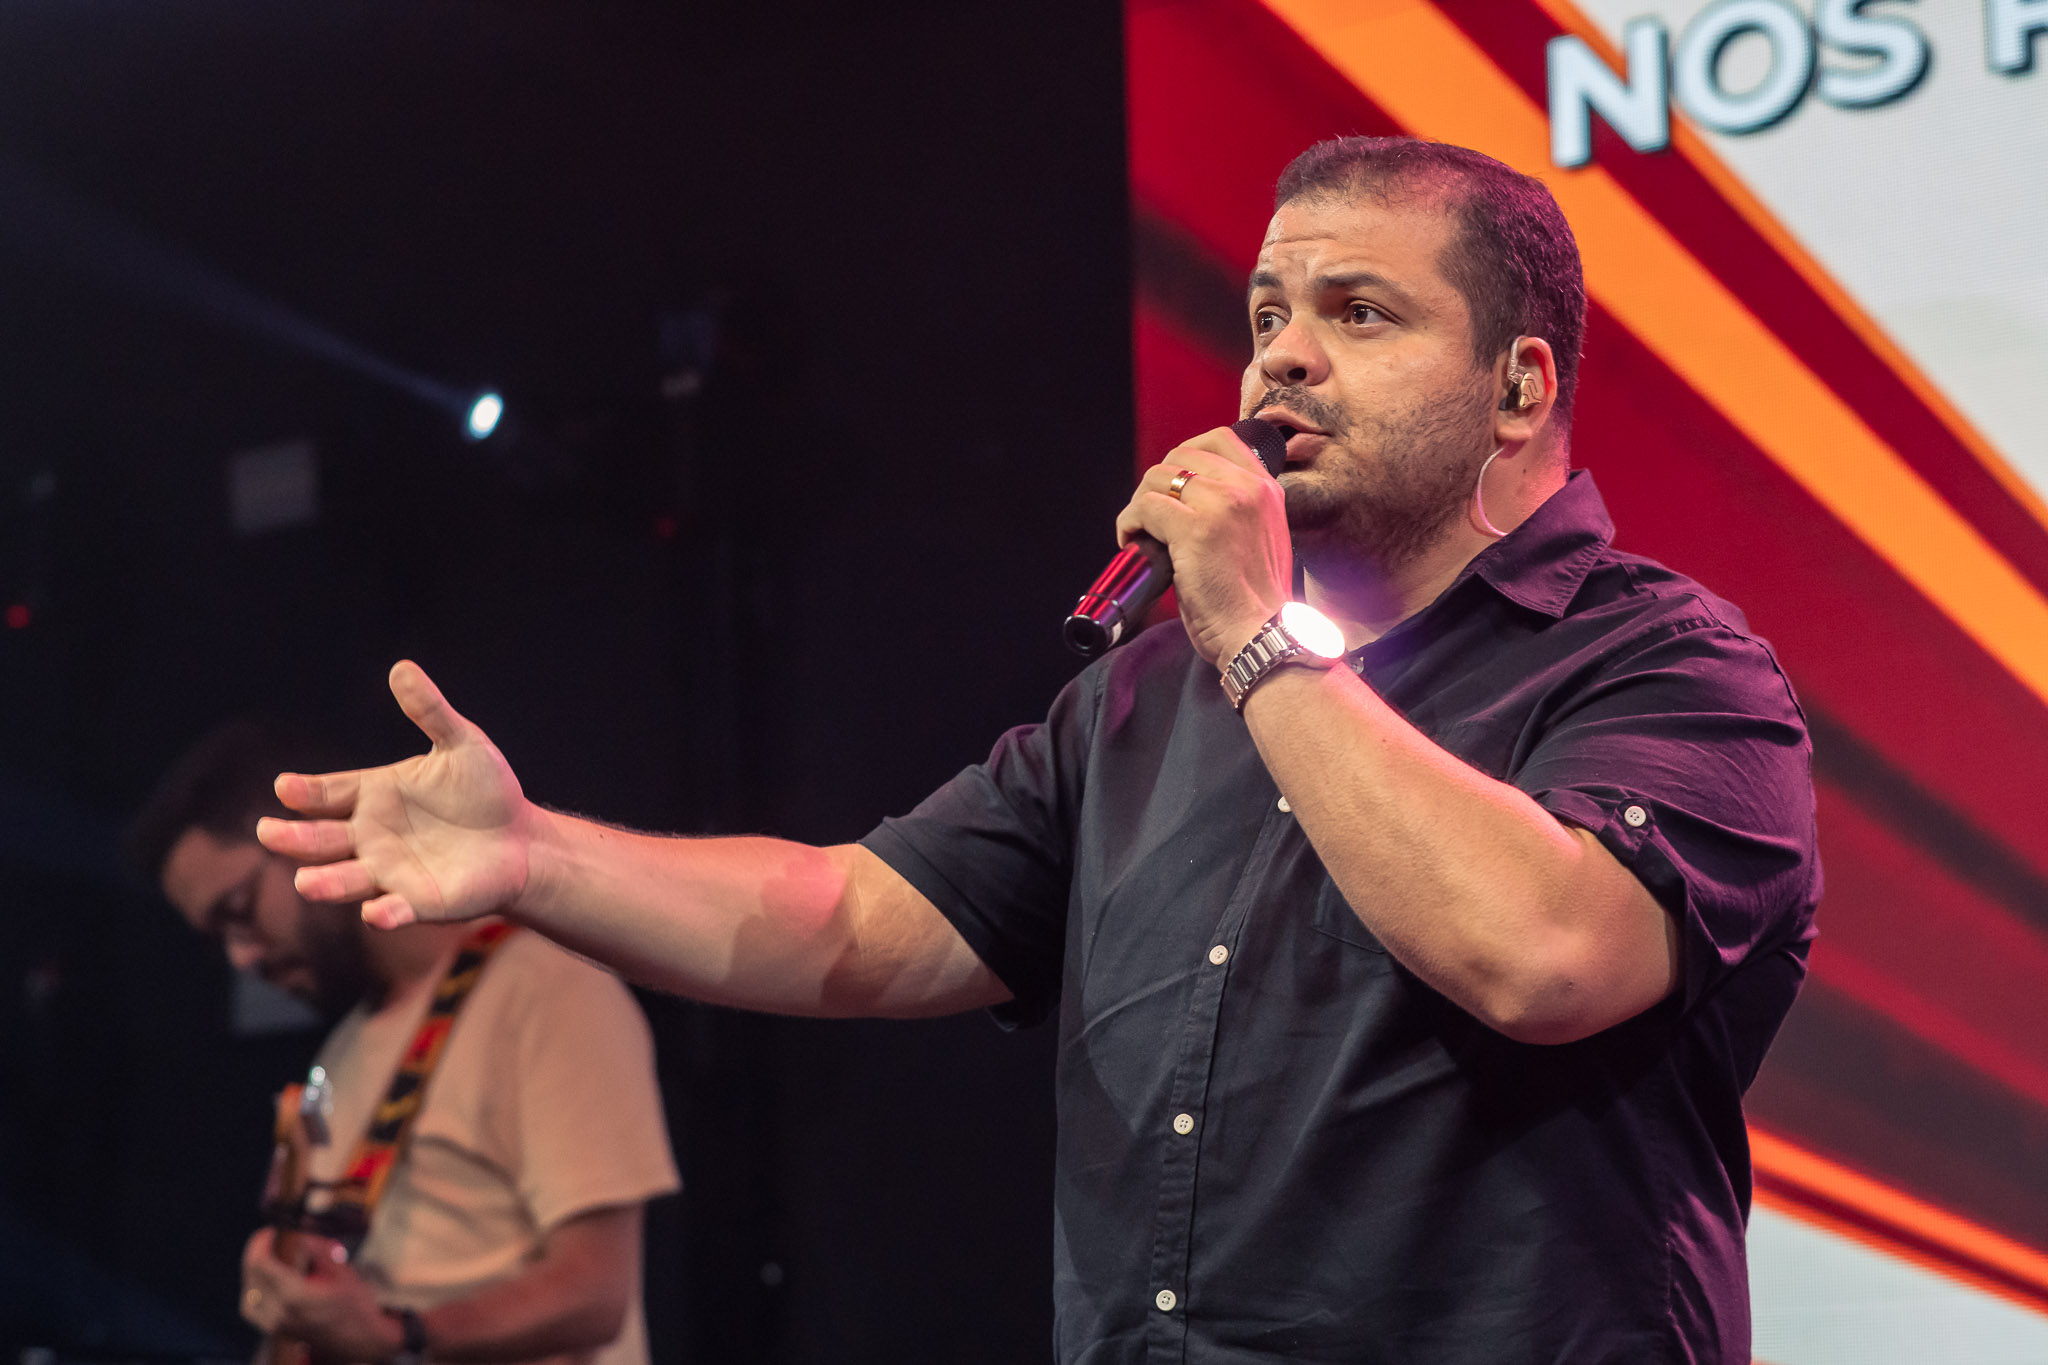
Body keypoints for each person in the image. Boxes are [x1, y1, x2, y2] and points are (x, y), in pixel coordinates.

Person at [257, 136, 1820, 1363]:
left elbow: (1543, 956)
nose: (1280, 359)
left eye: (1359, 313)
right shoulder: (1149, 699)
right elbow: (854, 919)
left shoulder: (1668, 667)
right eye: (1268, 316)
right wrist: (535, 855)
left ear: (1519, 386)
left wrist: (1255, 634)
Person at [129, 721, 680, 1365]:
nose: (241, 957)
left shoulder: (547, 987)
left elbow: (595, 1292)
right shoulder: (343, 1049)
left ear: (310, 834)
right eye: (218, 938)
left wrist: (402, 1334)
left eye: (239, 910)